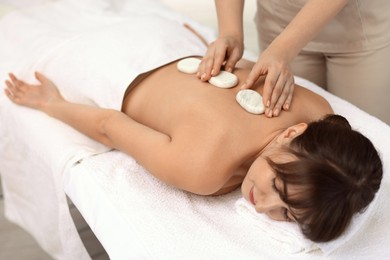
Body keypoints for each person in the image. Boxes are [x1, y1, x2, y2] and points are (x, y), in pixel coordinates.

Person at [2, 0, 382, 243]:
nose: (264, 207)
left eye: (286, 214)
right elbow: (109, 126)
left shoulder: (320, 117)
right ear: (293, 133)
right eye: (278, 184)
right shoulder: (203, 169)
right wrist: (52, 104)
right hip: (116, 59)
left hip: (168, 42)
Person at [198, 0, 390, 125]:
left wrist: (283, 49)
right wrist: (230, 32)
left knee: (360, 139)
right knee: (289, 133)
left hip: (361, 30)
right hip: (278, 22)